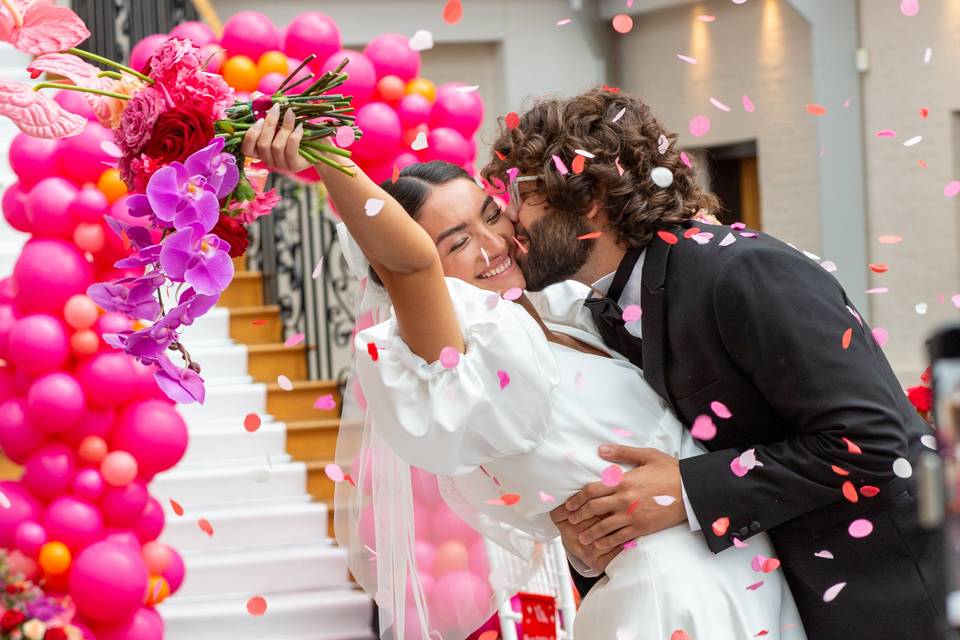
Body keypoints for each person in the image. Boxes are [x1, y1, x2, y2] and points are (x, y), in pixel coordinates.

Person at [242, 105, 806, 639]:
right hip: (670, 598)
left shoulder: (564, 312)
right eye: (458, 242)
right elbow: (408, 261)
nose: (493, 246)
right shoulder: (461, 348)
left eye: (491, 216)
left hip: (739, 571)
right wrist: (326, 156)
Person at [480, 89, 949, 639]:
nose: (509, 219)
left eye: (523, 194)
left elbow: (873, 443)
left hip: (889, 604)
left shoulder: (743, 271)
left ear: (590, 196)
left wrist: (687, 492)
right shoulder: (606, 304)